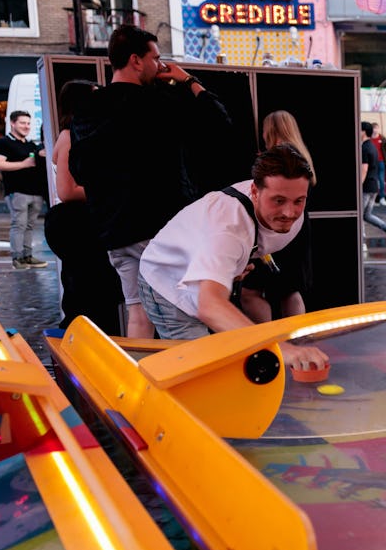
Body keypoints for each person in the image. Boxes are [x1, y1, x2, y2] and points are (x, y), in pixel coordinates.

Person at [70, 24, 230, 338]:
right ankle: (189, 382)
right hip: (159, 231)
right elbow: (218, 121)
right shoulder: (159, 103)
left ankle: (136, 382)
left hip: (115, 233)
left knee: (138, 314)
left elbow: (80, 170)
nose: (160, 65)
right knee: (183, 318)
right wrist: (188, 80)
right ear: (136, 60)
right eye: (155, 58)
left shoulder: (88, 108)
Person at [137, 145, 326, 370]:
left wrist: (231, 266)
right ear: (254, 192)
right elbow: (209, 306)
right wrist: (283, 349)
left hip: (201, 270)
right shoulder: (228, 229)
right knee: (199, 370)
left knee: (223, 359)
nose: (289, 213)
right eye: (278, 201)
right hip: (166, 281)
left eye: (299, 201)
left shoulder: (290, 215)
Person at [46, 79, 124, 333]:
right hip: (78, 225)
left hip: (82, 223)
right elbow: (67, 190)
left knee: (92, 293)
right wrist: (109, 191)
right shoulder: (69, 137)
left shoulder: (80, 135)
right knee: (88, 294)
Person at [240, 110, 315, 323]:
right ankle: (296, 341)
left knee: (250, 293)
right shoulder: (300, 155)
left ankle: (269, 339)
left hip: (275, 229)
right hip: (296, 227)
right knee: (290, 290)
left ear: (270, 130)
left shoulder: (276, 158)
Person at [0, 110, 49, 270]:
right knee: (19, 225)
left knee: (29, 226)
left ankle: (27, 256)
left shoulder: (30, 144)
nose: (26, 126)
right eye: (23, 123)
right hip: (17, 192)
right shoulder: (3, 143)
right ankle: (17, 258)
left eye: (29, 123)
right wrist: (24, 164)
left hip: (35, 192)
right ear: (13, 123)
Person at [360, 121, 386, 247]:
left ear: (363, 132)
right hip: (373, 186)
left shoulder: (364, 148)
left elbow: (364, 169)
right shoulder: (371, 146)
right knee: (366, 215)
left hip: (366, 187)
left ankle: (362, 242)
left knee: (359, 215)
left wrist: (358, 185)